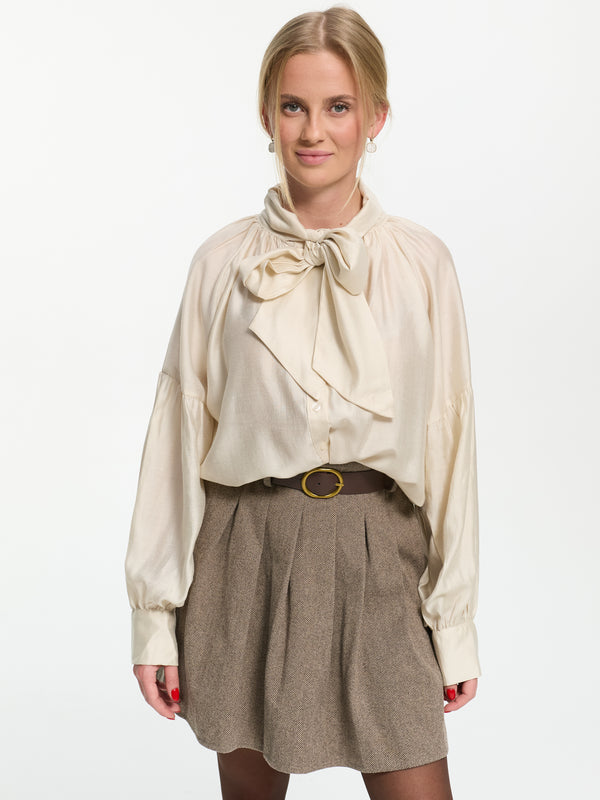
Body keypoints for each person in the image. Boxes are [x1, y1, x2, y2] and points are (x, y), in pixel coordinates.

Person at [125, 7, 481, 799]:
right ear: (267, 116)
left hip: (379, 549)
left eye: (338, 106)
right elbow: (178, 438)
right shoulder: (222, 264)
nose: (313, 131)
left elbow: (449, 440)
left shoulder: (422, 264)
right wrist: (154, 619)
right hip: (247, 552)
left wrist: (453, 624)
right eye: (293, 106)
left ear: (376, 117)